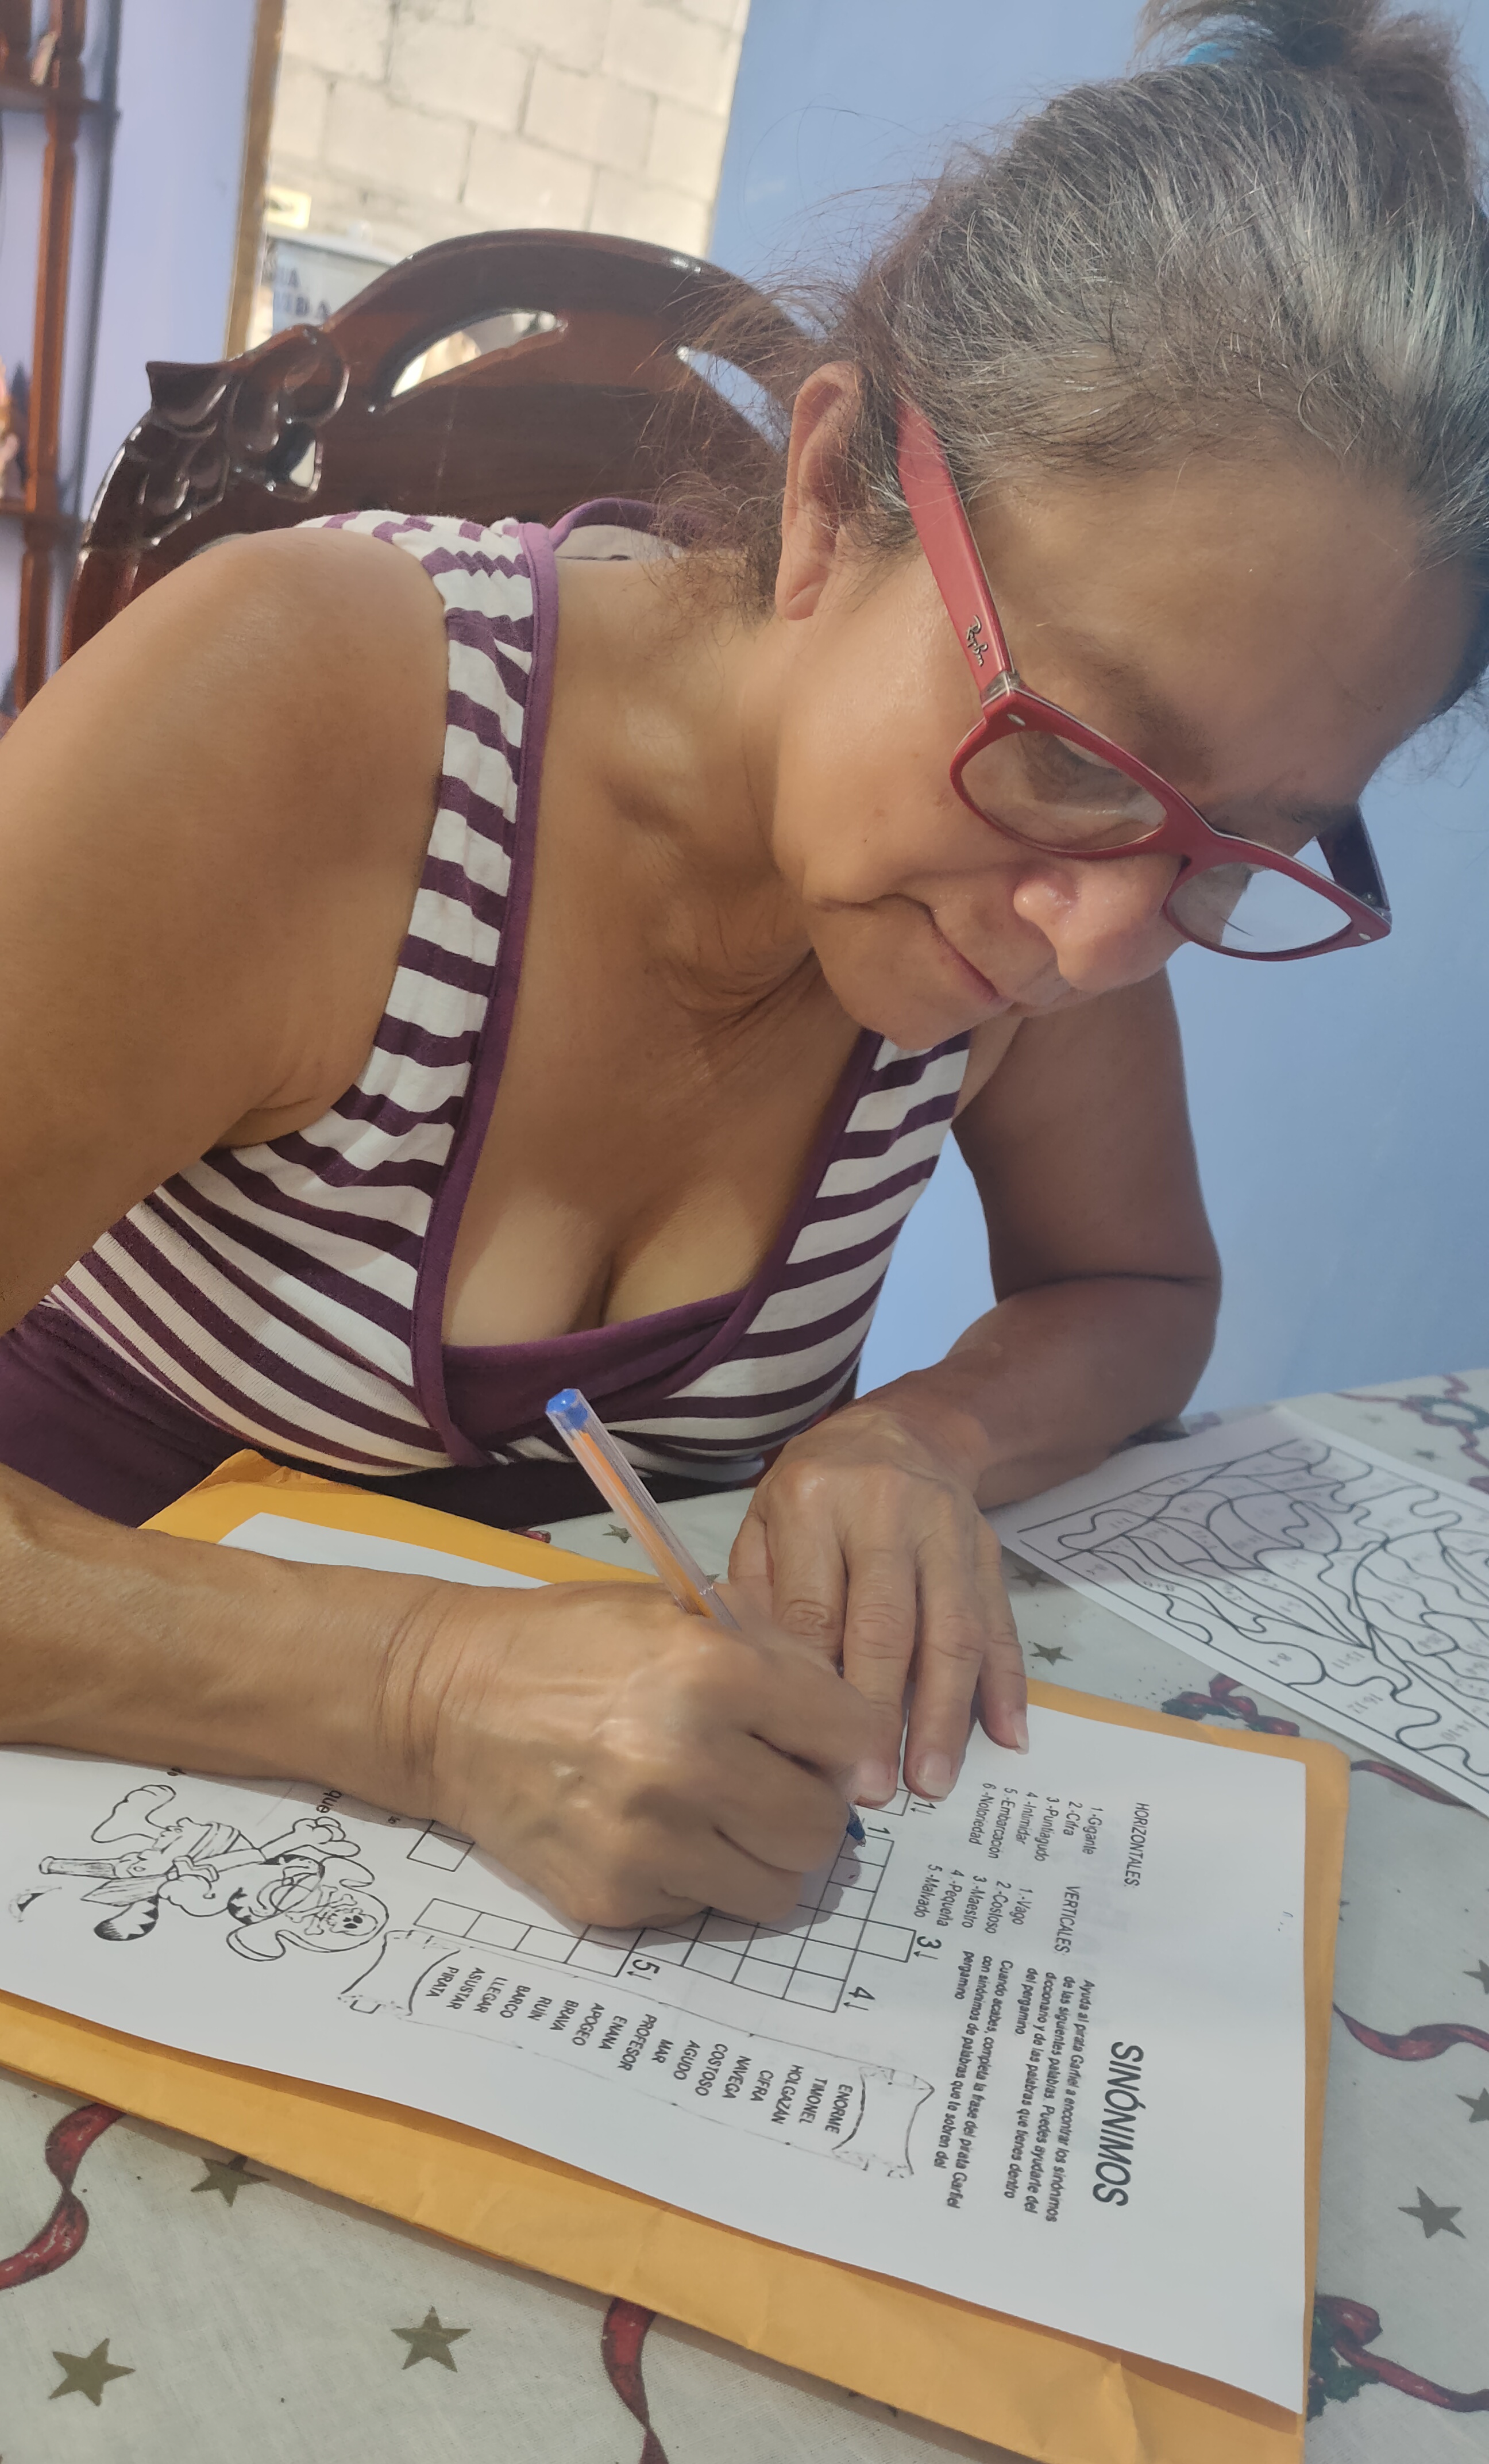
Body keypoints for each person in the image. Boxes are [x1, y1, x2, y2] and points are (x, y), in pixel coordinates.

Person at [1, 0, 1483, 1931]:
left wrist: (923, 1434)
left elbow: (1135, 1288)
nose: (1107, 942)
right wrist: (422, 1691)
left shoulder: (1061, 896)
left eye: (1247, 838)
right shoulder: (304, 711)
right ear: (829, 494)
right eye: (1076, 750)